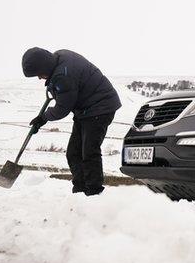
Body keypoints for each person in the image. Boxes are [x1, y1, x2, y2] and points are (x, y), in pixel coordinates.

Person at [22, 47, 122, 196]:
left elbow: (62, 108)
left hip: (100, 107)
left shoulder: (63, 75)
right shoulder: (59, 59)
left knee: (89, 151)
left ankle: (94, 192)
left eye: (39, 73)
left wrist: (43, 118)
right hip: (85, 110)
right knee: (73, 153)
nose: (39, 78)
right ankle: (80, 190)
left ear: (45, 66)